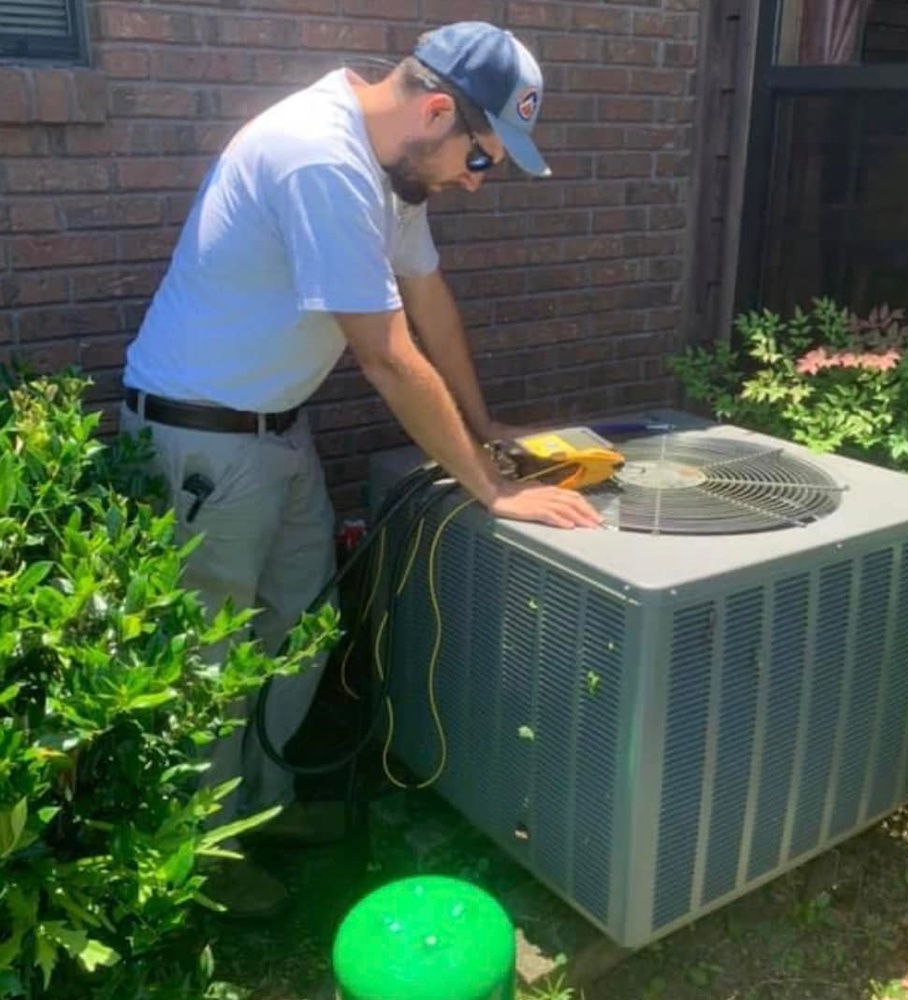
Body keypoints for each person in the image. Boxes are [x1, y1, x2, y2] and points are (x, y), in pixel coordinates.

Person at [118, 20, 602, 917]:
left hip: (273, 432)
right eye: (483, 158)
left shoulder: (396, 170)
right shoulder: (321, 159)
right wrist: (488, 489)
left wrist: (484, 421)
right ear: (435, 109)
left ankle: (258, 811)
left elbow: (428, 304)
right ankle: (197, 864)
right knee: (205, 658)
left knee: (299, 624)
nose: (476, 180)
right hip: (203, 446)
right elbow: (384, 355)